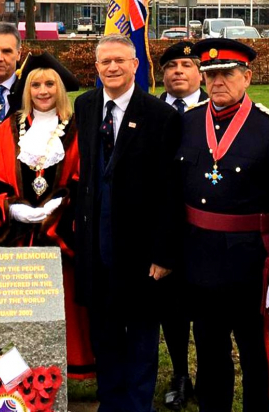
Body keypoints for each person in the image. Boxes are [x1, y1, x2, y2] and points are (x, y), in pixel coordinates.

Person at [177, 38, 269, 412]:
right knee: (210, 347)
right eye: (210, 74)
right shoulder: (189, 122)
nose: (217, 82)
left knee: (253, 351)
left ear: (247, 77)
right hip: (199, 257)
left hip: (249, 262)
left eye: (227, 74)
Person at [74, 34, 182, 412]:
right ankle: (110, 402)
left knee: (139, 338)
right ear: (97, 66)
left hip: (140, 252)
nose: (113, 68)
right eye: (105, 62)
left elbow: (171, 192)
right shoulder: (86, 106)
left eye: (120, 60)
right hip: (96, 248)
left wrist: (164, 252)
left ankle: (137, 406)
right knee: (104, 337)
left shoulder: (160, 116)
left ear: (136, 65)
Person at [0, 52, 96, 380]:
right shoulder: (9, 128)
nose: (43, 91)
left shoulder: (76, 129)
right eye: (36, 85)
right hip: (16, 242)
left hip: (59, 241)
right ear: (27, 90)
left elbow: (82, 175)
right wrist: (11, 205)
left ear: (59, 89)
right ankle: (15, 378)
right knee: (14, 313)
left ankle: (55, 378)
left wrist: (59, 206)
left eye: (49, 84)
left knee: (62, 310)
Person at [157, 40, 209, 410]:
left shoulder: (216, 110)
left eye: (186, 65)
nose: (178, 71)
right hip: (164, 228)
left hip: (205, 230)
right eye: (171, 65)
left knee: (207, 312)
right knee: (172, 312)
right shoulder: (151, 111)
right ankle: (179, 373)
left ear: (199, 73)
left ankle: (208, 375)